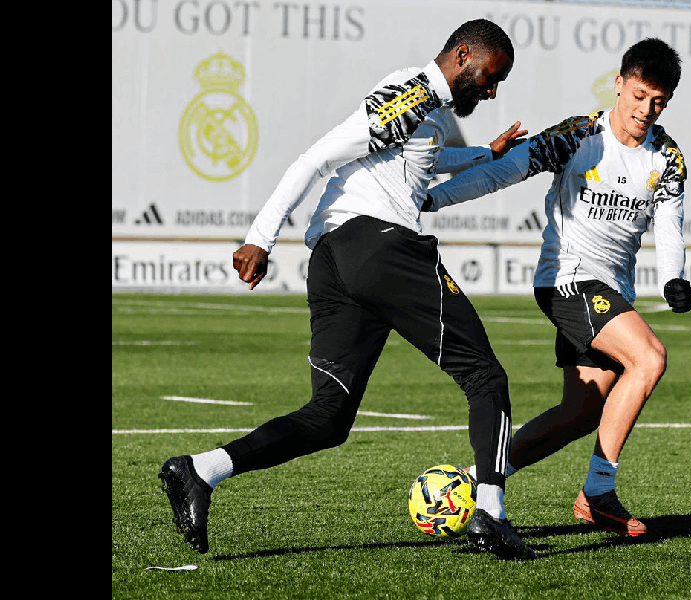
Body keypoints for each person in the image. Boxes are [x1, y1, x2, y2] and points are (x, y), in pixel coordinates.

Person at [159, 19, 538, 560]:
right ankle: (491, 516)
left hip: (336, 260)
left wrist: (485, 153)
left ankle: (200, 470)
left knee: (328, 417)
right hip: (379, 246)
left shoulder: (425, 112)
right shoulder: (411, 93)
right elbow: (316, 156)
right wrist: (259, 238)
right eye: (488, 76)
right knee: (484, 375)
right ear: (461, 55)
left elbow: (422, 158)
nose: (492, 90)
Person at [423, 38, 691, 537]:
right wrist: (433, 199)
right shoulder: (578, 136)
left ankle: (476, 483)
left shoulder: (667, 155)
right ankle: (598, 491)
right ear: (619, 84)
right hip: (567, 281)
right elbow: (505, 171)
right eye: (638, 95)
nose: (645, 110)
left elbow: (670, 224)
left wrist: (675, 275)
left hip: (612, 292)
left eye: (658, 102)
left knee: (581, 411)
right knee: (650, 358)